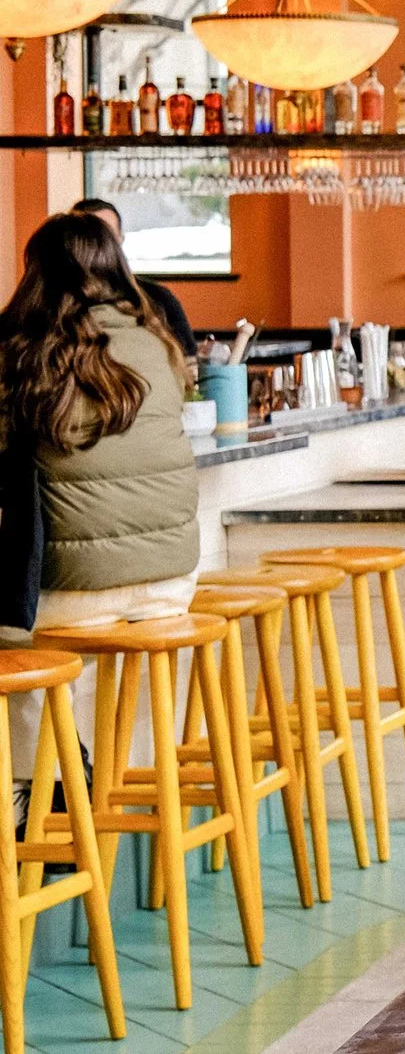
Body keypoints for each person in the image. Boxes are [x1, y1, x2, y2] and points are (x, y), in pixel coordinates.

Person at [0, 213, 201, 785]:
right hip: (171, 587)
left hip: (76, 597)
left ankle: (37, 791)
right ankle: (59, 780)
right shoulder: (159, 345)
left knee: (11, 636)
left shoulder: (21, 353)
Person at [66, 198, 196, 362]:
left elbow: (189, 362)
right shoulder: (53, 303)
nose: (100, 247)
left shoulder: (158, 299)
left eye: (108, 237)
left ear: (120, 240)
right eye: (89, 239)